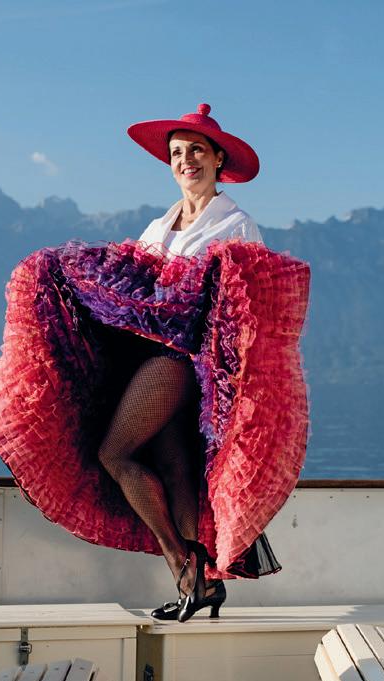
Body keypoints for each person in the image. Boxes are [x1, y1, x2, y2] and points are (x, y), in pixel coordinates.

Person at [97, 103, 273, 622]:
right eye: (177, 152)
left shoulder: (237, 225)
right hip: (148, 353)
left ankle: (184, 568)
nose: (185, 160)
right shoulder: (158, 226)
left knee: (115, 452)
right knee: (175, 467)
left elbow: (251, 306)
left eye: (196, 150)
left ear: (219, 159)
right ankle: (204, 585)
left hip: (184, 360)